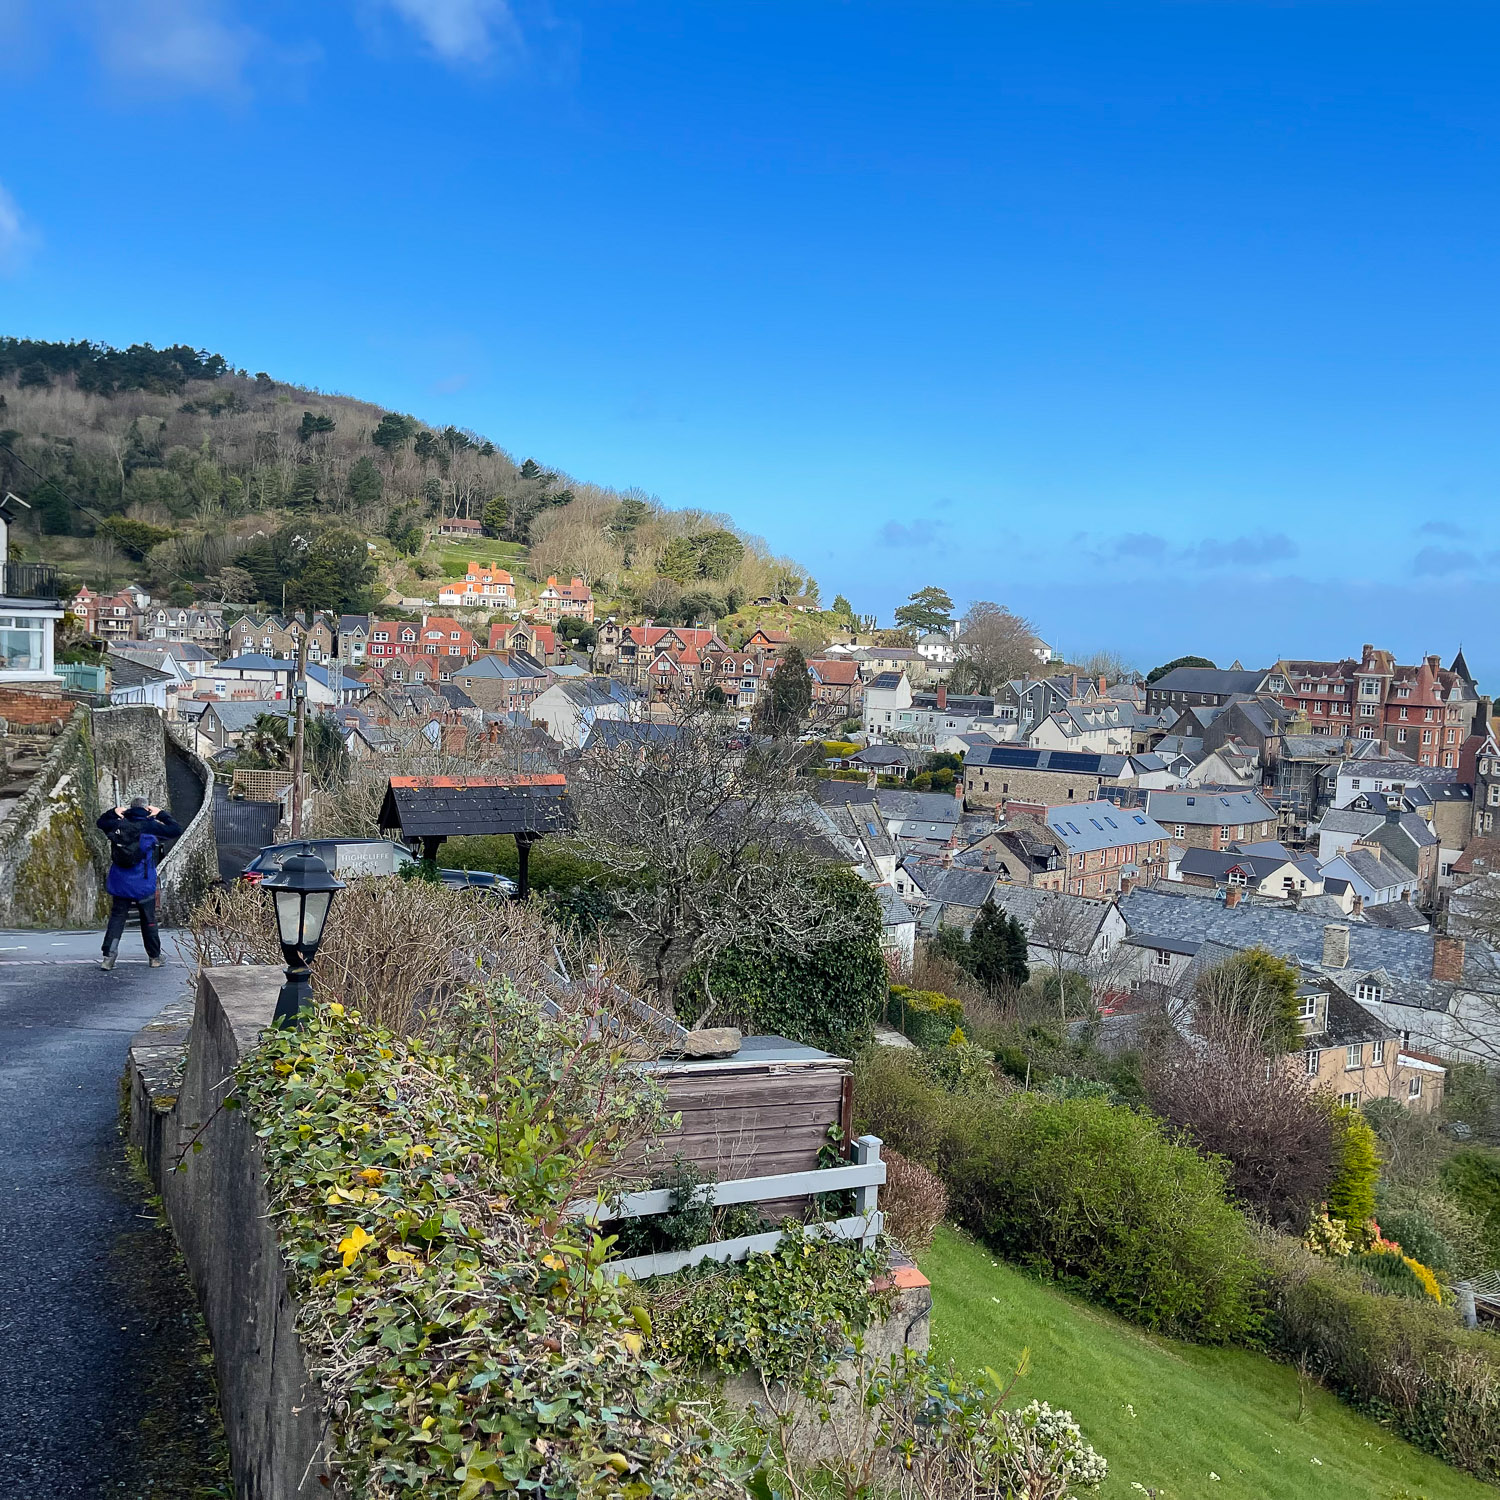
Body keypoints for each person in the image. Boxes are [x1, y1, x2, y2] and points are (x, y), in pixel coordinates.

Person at [96, 797, 181, 970]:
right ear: (146, 809)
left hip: (120, 882)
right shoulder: (150, 827)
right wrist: (161, 814)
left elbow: (100, 822)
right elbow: (176, 829)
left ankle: (109, 958)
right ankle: (155, 957)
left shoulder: (117, 825)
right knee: (148, 919)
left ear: (130, 808)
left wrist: (113, 812)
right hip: (143, 882)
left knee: (117, 919)